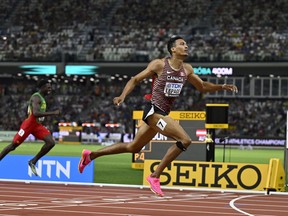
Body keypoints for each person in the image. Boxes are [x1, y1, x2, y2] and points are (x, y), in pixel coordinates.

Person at [78, 35, 238, 196]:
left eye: (187, 44)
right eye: (182, 44)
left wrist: (222, 86)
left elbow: (202, 86)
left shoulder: (187, 69)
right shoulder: (159, 64)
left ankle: (90, 155)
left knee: (133, 147)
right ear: (173, 49)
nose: (187, 46)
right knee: (185, 140)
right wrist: (122, 96)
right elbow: (135, 79)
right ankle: (155, 176)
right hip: (153, 111)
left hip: (162, 113)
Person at [0, 79, 60, 176]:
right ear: (42, 87)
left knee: (51, 142)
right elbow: (35, 113)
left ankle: (33, 161)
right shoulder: (36, 97)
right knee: (13, 146)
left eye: (50, 87)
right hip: (28, 125)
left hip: (37, 126)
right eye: (48, 87)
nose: (50, 89)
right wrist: (53, 113)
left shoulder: (43, 98)